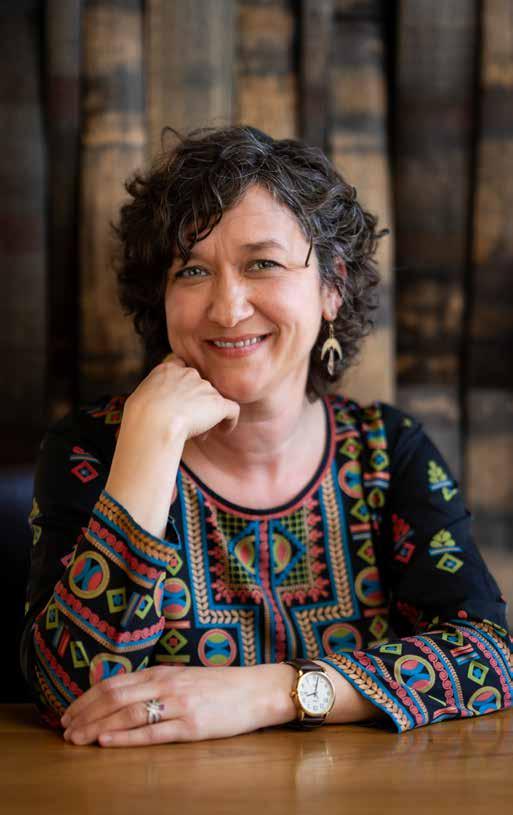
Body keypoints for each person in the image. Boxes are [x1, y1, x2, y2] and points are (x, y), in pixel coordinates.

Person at [20, 125, 512, 748]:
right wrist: (147, 447)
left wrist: (273, 691)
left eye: (262, 264)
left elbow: (488, 657)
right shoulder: (91, 448)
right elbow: (69, 697)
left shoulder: (388, 452)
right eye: (192, 270)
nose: (227, 309)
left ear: (332, 286)